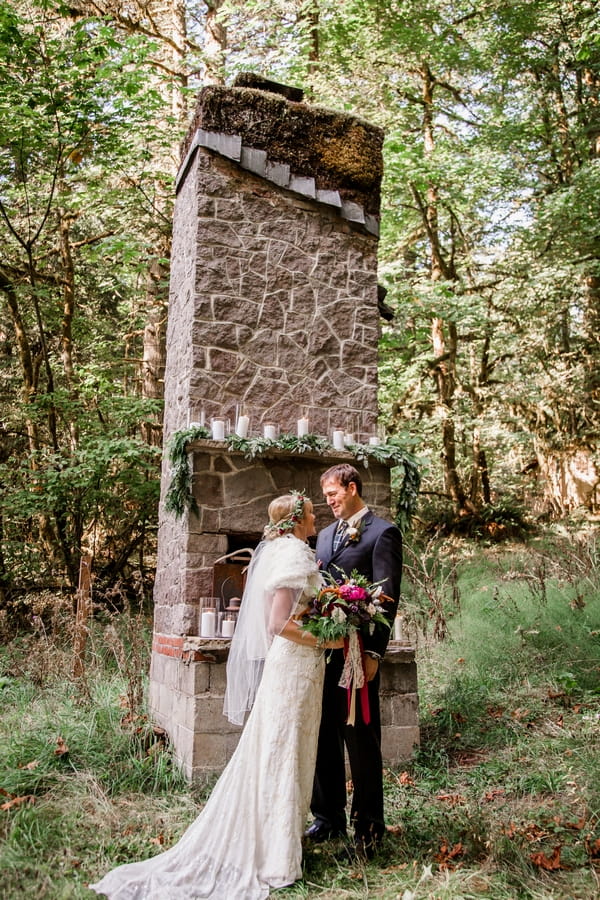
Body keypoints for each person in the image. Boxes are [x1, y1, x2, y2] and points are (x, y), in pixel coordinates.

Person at [90, 491, 342, 900]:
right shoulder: (294, 554)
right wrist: (326, 642)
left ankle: (281, 837)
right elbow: (278, 623)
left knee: (284, 746)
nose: (316, 518)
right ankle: (273, 852)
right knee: (283, 748)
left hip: (295, 665)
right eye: (312, 513)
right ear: (297, 520)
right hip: (296, 663)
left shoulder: (278, 550)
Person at [305, 463, 403, 858]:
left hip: (358, 656)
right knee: (323, 736)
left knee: (360, 743)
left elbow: (387, 597)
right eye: (326, 498)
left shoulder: (383, 533)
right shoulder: (325, 535)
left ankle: (369, 831)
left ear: (352, 487)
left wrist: (375, 653)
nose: (329, 503)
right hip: (321, 654)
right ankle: (328, 818)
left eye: (334, 495)